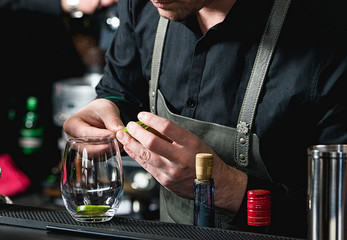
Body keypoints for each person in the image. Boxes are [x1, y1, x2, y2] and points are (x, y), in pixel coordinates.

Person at [63, 0, 347, 238]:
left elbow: (337, 216)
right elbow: (122, 91)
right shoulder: (141, 7)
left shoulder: (331, 30)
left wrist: (226, 189)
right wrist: (105, 109)